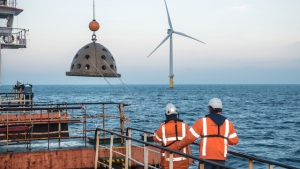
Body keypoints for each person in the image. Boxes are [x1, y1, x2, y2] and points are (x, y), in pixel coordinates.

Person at [177, 98, 239, 169]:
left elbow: (189, 137)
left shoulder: (201, 122)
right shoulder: (229, 124)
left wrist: (179, 146)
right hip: (221, 159)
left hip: (205, 159)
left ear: (210, 108)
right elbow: (234, 141)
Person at [153, 103, 192, 169]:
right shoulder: (184, 125)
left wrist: (156, 132)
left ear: (166, 115)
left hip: (169, 163)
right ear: (176, 114)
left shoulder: (163, 127)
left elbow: (156, 139)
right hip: (183, 162)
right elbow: (190, 138)